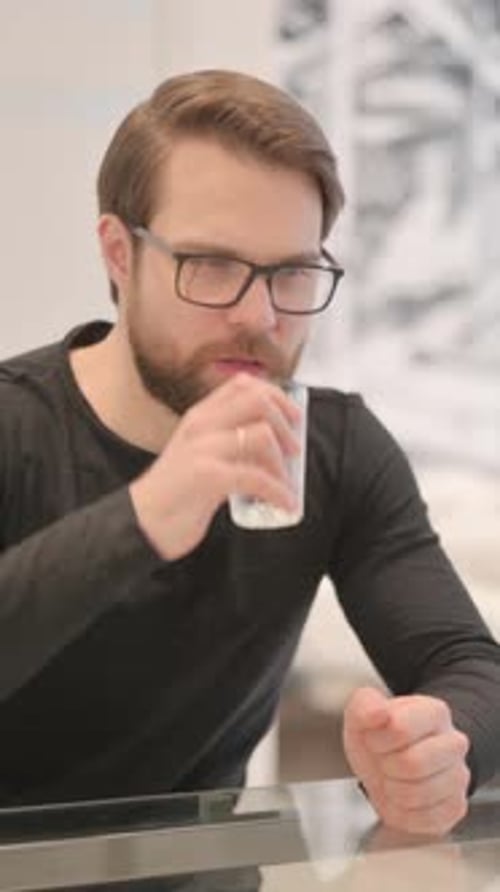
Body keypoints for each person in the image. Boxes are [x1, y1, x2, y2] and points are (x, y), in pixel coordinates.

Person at [0, 69, 499, 839]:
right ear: (118, 254)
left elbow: (473, 668)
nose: (258, 315)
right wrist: (146, 514)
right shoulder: (16, 427)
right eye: (212, 266)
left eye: (292, 272)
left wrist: (441, 743)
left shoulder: (334, 451)